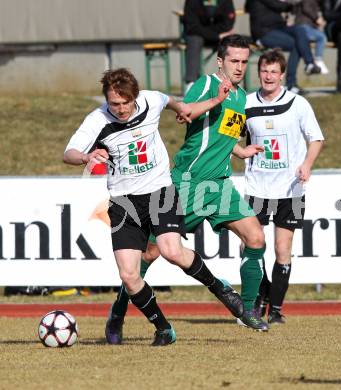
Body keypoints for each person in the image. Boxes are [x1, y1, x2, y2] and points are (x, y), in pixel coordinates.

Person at [106, 35, 269, 345]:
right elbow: (187, 113)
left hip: (219, 185)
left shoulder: (241, 97)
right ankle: (117, 312)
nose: (239, 66)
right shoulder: (207, 85)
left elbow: (220, 133)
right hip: (189, 182)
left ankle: (246, 310)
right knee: (150, 254)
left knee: (256, 237)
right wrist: (209, 102)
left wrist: (239, 150)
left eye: (244, 61)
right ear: (220, 61)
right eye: (233, 60)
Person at [63, 67, 245, 346]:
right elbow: (69, 153)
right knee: (129, 275)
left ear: (135, 96)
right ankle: (163, 328)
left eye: (126, 102)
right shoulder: (97, 119)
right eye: (115, 103)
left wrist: (212, 103)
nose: (121, 109)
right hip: (124, 202)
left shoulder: (151, 100)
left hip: (159, 192)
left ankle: (221, 289)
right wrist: (86, 155)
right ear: (107, 100)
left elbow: (180, 106)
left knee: (172, 251)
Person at [241, 49, 324, 324]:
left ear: (282, 74)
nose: (268, 76)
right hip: (257, 187)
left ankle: (275, 309)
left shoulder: (298, 103)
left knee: (281, 248)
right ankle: (260, 294)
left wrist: (307, 164)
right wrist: (240, 151)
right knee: (249, 246)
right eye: (264, 71)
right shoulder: (246, 102)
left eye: (274, 71)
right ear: (259, 73)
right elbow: (228, 137)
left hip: (290, 188)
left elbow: (316, 139)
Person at [245, 0, 321, 94]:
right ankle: (291, 84)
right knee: (296, 44)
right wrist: (289, 4)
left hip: (279, 28)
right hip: (264, 32)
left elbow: (281, 6)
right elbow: (279, 6)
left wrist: (288, 7)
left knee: (300, 30)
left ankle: (309, 64)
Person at [183, 0, 236, 90]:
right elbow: (192, 27)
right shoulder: (192, 2)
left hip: (217, 34)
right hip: (199, 35)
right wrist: (216, 35)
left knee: (232, 41)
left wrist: (216, 35)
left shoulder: (226, 1)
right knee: (194, 40)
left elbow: (228, 24)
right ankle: (191, 84)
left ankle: (232, 81)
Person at [293, 0, 329, 74]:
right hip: (303, 26)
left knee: (303, 45)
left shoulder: (317, 3)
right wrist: (317, 18)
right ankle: (318, 60)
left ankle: (309, 66)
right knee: (321, 37)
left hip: (305, 26)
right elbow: (306, 8)